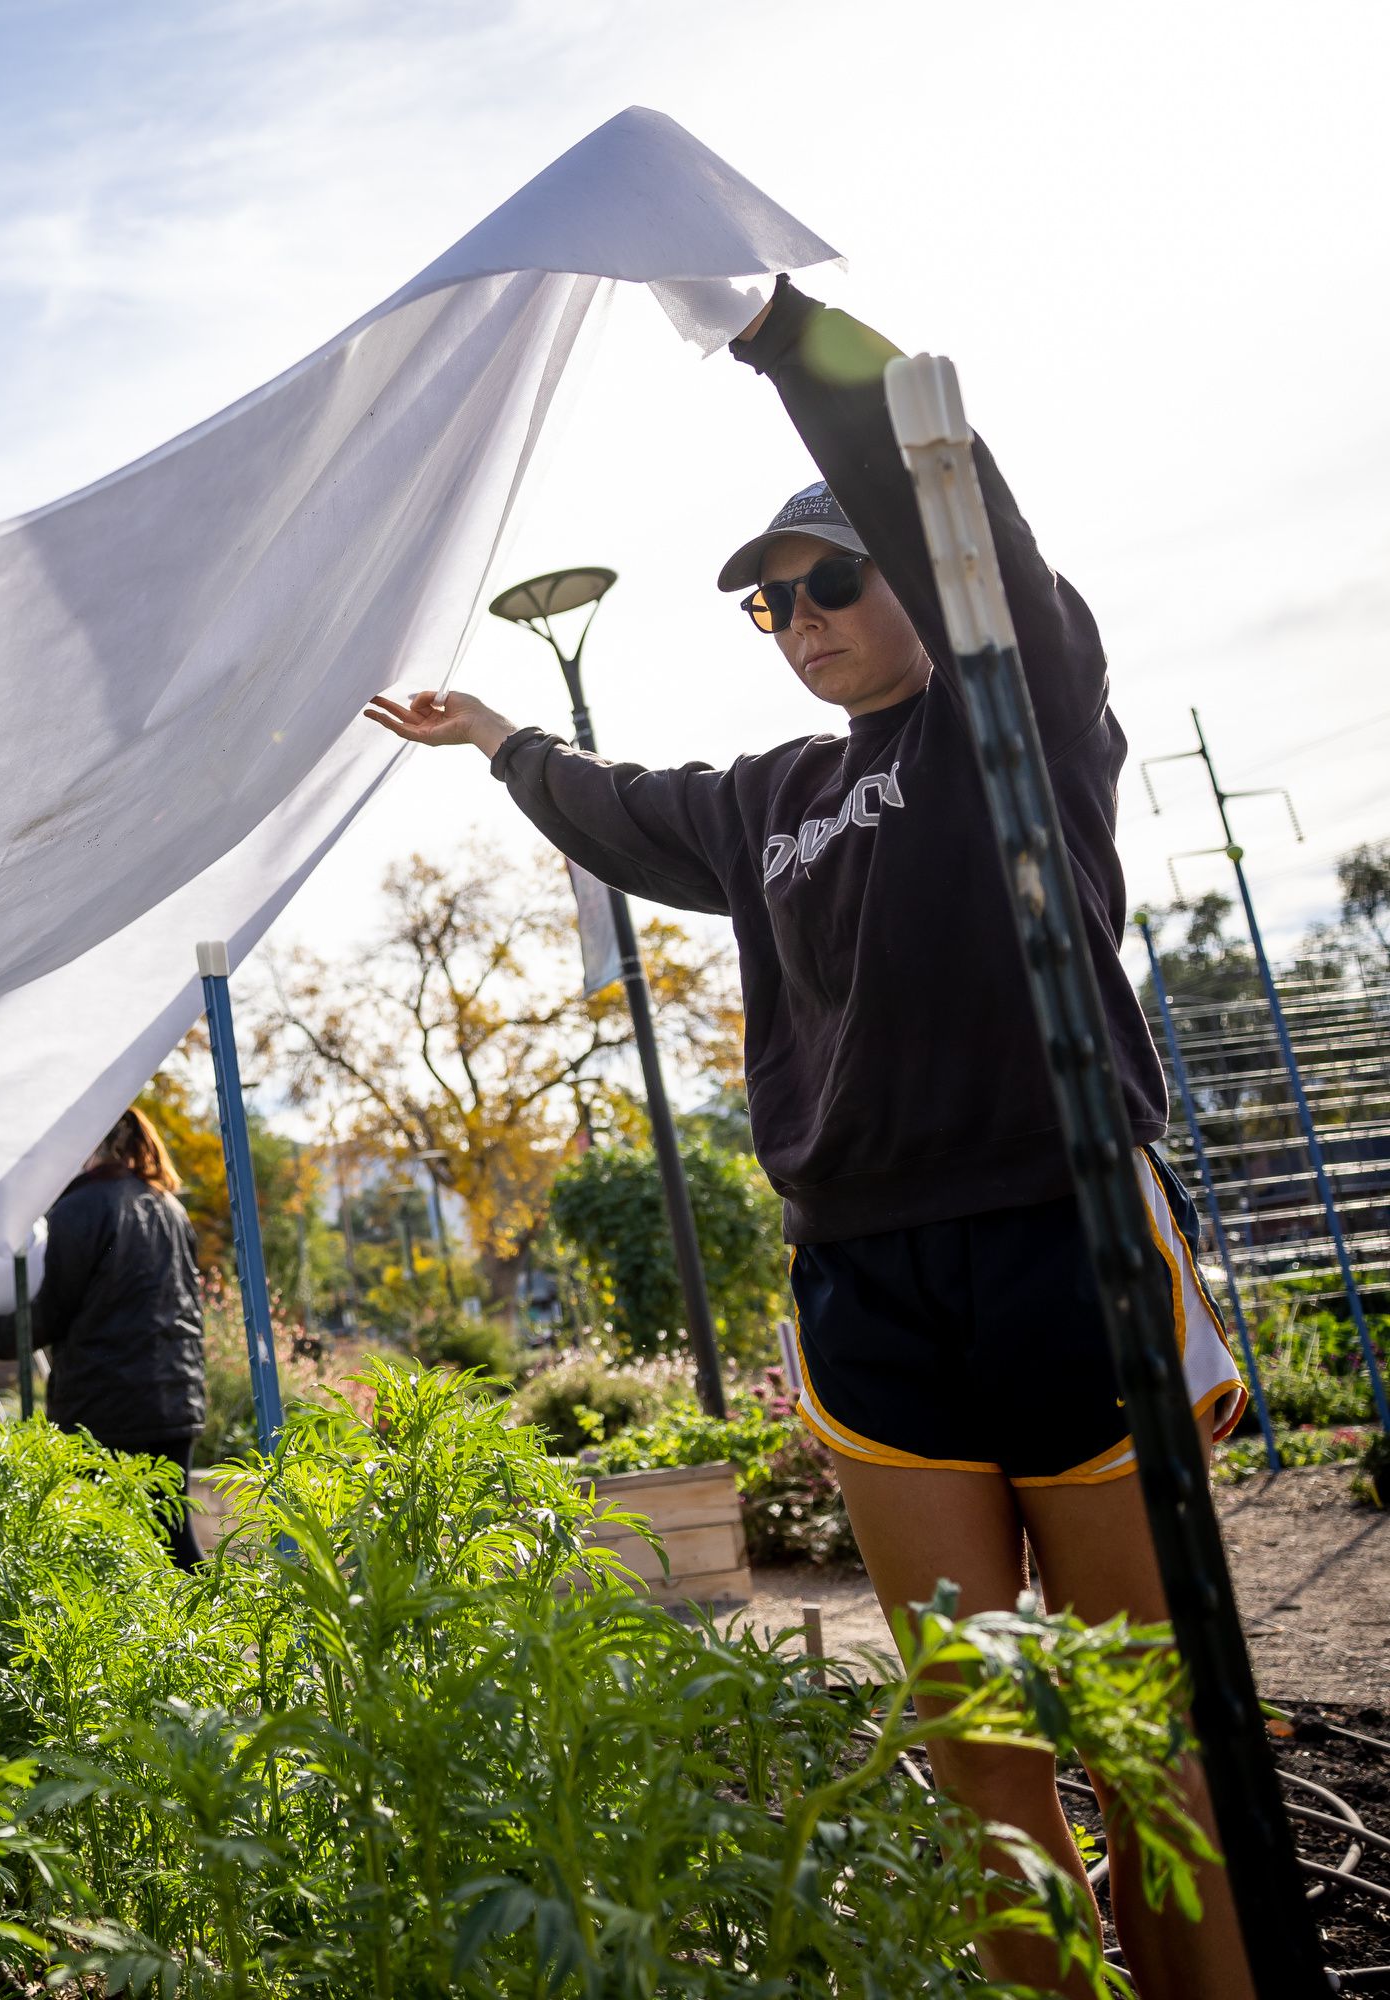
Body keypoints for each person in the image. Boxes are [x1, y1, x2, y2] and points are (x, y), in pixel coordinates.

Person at [365, 277, 1250, 1995]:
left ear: (921, 577)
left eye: (828, 578)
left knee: (1147, 1735)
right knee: (979, 1739)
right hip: (867, 1284)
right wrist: (499, 743)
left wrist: (769, 327)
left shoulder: (1026, 713)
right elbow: (628, 814)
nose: (801, 613)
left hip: (1062, 1242)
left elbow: (946, 483)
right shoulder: (777, 796)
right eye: (772, 605)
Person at [0, 1106, 209, 1567]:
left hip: (107, 1408)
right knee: (172, 1541)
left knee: (114, 1552)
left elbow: (43, 1317)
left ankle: (198, 1637)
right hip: (174, 1400)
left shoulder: (80, 1209)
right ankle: (219, 1633)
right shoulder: (170, 1208)